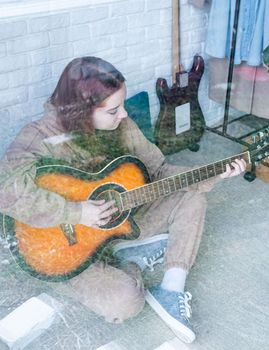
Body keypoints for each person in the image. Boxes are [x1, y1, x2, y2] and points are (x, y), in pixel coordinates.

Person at [0, 57, 246, 343]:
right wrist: (76, 212)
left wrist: (215, 173)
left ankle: (171, 289)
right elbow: (8, 192)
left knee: (193, 196)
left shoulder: (122, 125)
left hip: (122, 220)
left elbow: (160, 171)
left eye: (123, 105)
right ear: (81, 112)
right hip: (68, 251)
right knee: (125, 302)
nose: (125, 115)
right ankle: (130, 260)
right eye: (114, 110)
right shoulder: (39, 138)